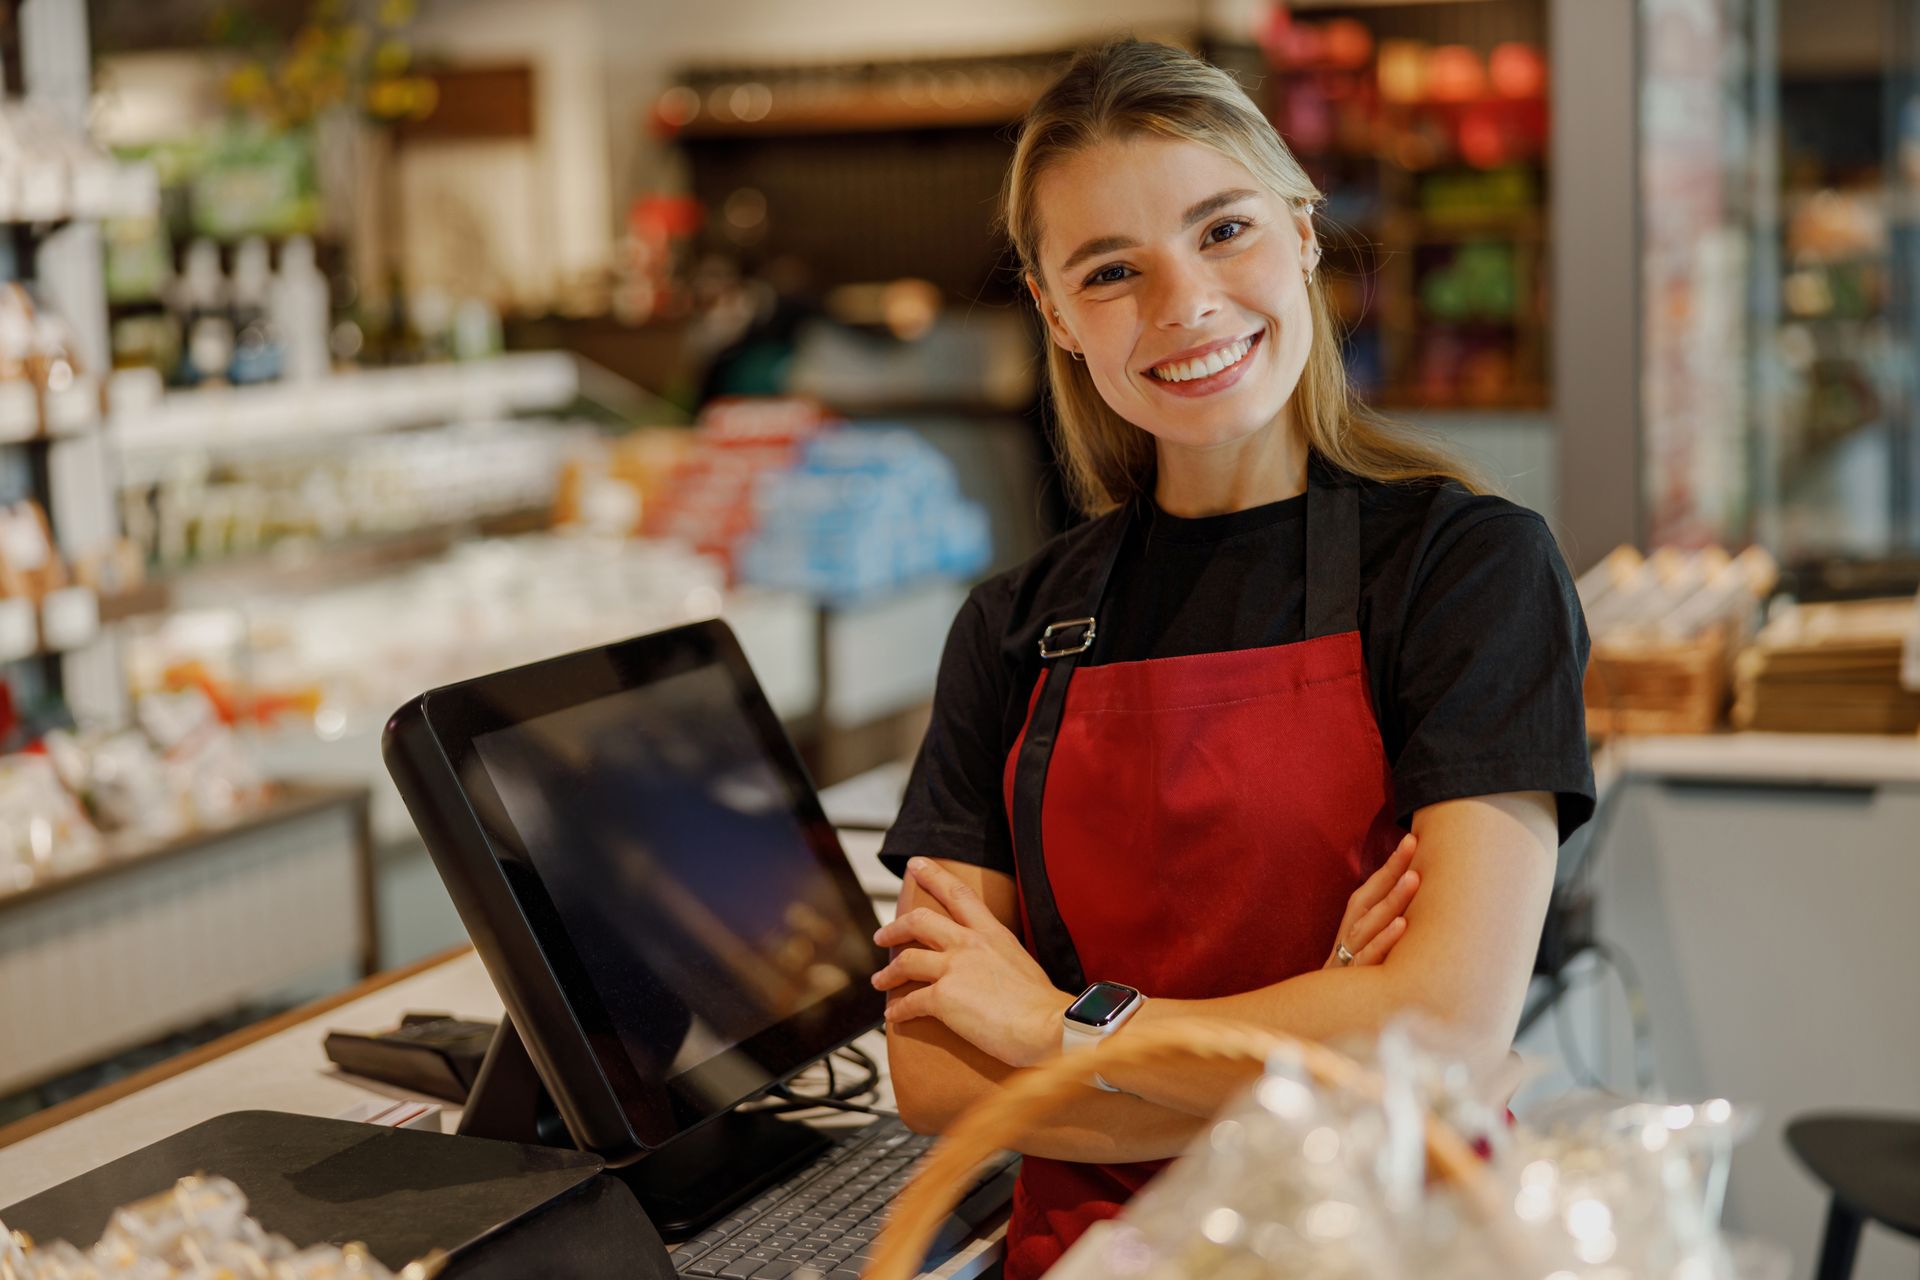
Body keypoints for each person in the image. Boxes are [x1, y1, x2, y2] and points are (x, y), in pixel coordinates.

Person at [870, 37, 1594, 1280]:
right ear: (1054, 313)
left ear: (1305, 231)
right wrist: (1328, 1036)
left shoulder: (1465, 570)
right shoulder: (1012, 624)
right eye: (1112, 270)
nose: (1183, 304)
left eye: (1222, 230)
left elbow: (1453, 1039)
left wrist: (1060, 1025)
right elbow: (937, 1072)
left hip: (1389, 1247)